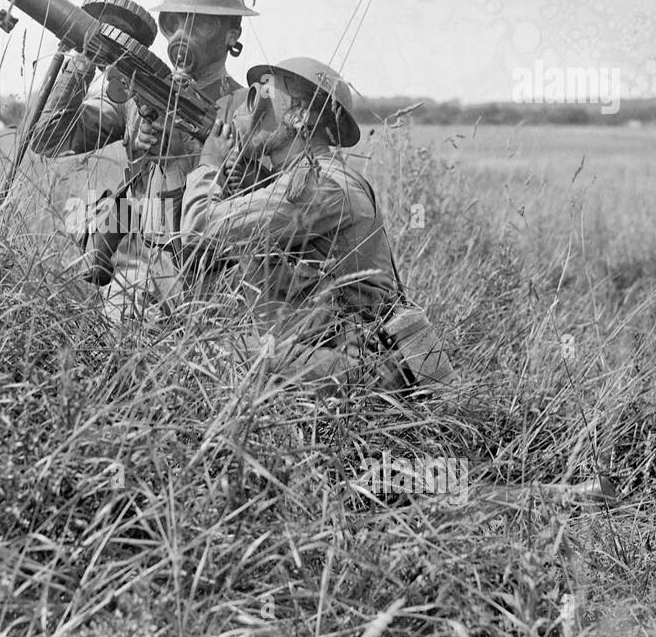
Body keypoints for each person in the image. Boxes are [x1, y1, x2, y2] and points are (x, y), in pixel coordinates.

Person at [178, 56, 458, 397]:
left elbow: (199, 230)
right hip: (345, 357)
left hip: (365, 371)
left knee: (214, 353)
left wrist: (208, 163)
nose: (253, 107)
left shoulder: (318, 183)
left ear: (299, 116)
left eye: (266, 94)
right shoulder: (311, 177)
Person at [28, 0, 257, 307]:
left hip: (211, 278)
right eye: (174, 23)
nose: (183, 34)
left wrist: (193, 150)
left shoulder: (247, 109)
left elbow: (262, 201)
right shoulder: (138, 96)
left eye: (201, 24)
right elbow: (50, 139)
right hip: (136, 273)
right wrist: (85, 59)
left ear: (231, 34)